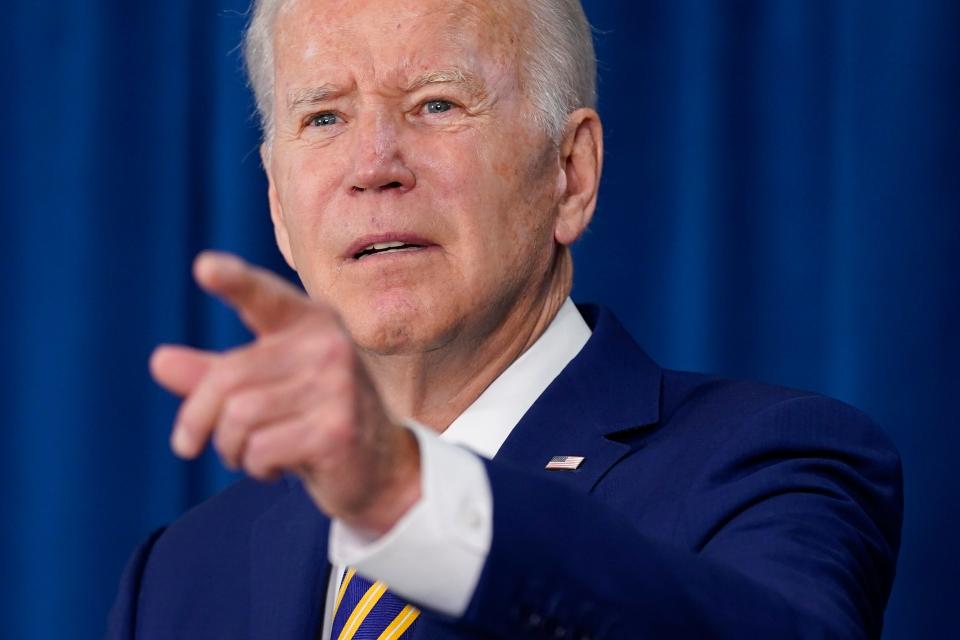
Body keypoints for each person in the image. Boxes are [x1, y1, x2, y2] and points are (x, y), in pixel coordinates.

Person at [108, 0, 903, 638]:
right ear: (279, 207)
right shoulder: (180, 575)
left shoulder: (773, 464)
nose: (374, 165)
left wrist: (412, 498)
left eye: (436, 104)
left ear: (570, 173)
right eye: (324, 118)